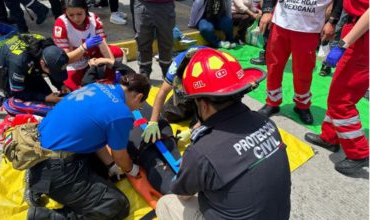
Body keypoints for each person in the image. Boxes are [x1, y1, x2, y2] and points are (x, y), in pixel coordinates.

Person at [155, 48, 291, 219]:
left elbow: (183, 194)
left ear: (203, 105)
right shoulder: (267, 123)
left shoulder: (201, 152)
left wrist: (187, 166)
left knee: (166, 203)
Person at [26, 72, 151, 219]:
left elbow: (91, 133)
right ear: (139, 97)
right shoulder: (121, 113)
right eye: (139, 106)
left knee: (103, 172)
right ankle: (44, 216)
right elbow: (121, 157)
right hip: (57, 170)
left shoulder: (97, 87)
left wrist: (110, 165)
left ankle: (38, 184)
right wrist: (132, 169)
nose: (136, 109)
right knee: (117, 206)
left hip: (36, 152)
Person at [305, 8, 369, 175]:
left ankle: (359, 153)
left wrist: (343, 43)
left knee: (342, 100)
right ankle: (330, 137)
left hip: (362, 39)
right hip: (357, 33)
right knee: (336, 95)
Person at [257, 0, 342, 125]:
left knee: (304, 70)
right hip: (280, 23)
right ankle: (272, 102)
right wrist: (267, 10)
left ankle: (302, 105)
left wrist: (332, 22)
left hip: (309, 28)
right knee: (274, 65)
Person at [0, 34, 69, 118]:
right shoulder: (20, 62)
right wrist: (45, 97)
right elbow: (18, 92)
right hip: (2, 72)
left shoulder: (48, 47)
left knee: (48, 99)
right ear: (42, 62)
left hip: (28, 66)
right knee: (32, 109)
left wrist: (61, 85)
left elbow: (53, 66)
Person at [53, 0, 124, 91]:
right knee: (72, 90)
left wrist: (112, 66)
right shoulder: (60, 24)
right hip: (74, 62)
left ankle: (109, 79)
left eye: (79, 14)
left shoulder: (94, 19)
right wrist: (83, 47)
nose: (76, 18)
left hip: (93, 56)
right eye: (71, 15)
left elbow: (103, 46)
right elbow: (65, 59)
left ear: (86, 10)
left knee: (117, 52)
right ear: (65, 13)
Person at [143, 46, 206, 143]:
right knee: (166, 114)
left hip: (209, 97)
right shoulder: (178, 64)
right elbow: (163, 91)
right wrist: (153, 121)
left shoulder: (208, 73)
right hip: (194, 93)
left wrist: (192, 131)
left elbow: (215, 109)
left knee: (202, 133)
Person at [133, 0, 175, 79]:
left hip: (165, 5)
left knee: (166, 41)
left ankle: (167, 70)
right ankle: (144, 70)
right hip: (142, 4)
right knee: (143, 40)